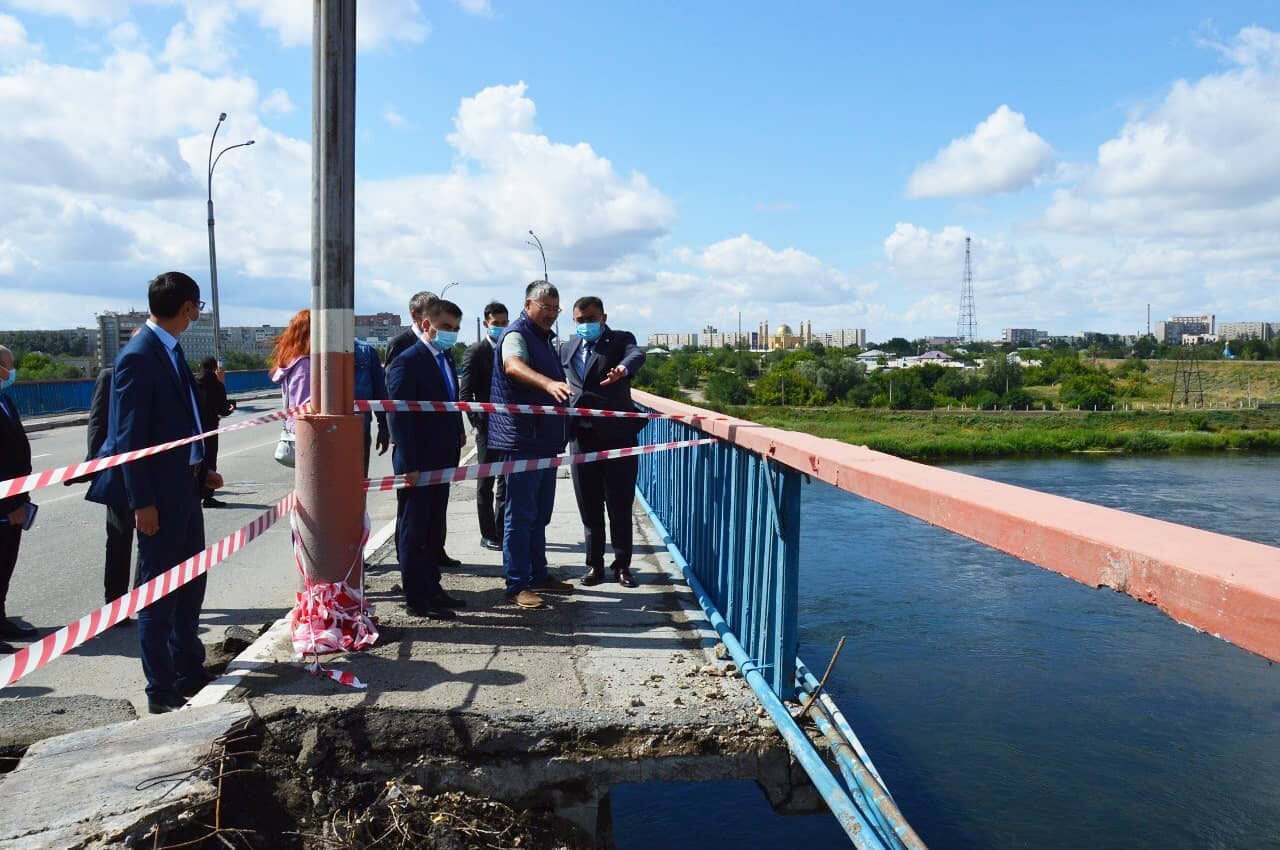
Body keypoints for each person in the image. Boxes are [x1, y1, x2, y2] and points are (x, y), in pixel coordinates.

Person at [86, 272, 223, 714]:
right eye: (198, 306)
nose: (198, 314)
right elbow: (130, 438)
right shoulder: (139, 357)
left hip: (185, 487)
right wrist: (141, 502)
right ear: (187, 307)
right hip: (158, 497)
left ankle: (188, 668)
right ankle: (159, 690)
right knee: (158, 592)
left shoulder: (170, 349)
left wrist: (201, 470)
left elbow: (183, 421)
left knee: (191, 582)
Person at [488, 281, 575, 609]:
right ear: (528, 304)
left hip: (544, 441)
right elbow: (513, 366)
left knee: (540, 514)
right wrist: (549, 383)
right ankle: (517, 583)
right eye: (546, 308)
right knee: (520, 515)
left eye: (556, 309)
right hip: (522, 440)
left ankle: (538, 574)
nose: (551, 315)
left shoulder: (543, 338)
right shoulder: (517, 335)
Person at [386, 300, 468, 619]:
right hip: (417, 461)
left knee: (434, 527)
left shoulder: (444, 357)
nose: (452, 334)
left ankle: (433, 588)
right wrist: (409, 464)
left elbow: (451, 401)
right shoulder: (408, 361)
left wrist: (457, 431)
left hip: (443, 455)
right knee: (414, 529)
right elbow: (399, 417)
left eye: (456, 329)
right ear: (426, 325)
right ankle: (417, 598)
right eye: (446, 327)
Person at [559, 297, 646, 587]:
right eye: (580, 320)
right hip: (581, 440)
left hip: (618, 439)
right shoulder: (567, 348)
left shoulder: (620, 340)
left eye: (591, 319)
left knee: (620, 506)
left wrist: (623, 369)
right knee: (590, 507)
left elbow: (636, 355)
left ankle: (622, 566)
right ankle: (594, 565)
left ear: (604, 317)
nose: (586, 325)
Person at [87, 358, 136, 622]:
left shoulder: (159, 373)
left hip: (154, 474)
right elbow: (97, 424)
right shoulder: (109, 376)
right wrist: (97, 467)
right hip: (118, 475)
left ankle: (146, 597)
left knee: (154, 541)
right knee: (119, 539)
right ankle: (115, 604)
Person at [460, 301, 509, 551]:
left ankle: (502, 530)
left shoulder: (512, 349)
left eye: (504, 323)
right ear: (486, 322)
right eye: (495, 323)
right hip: (488, 428)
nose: (500, 327)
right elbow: (465, 395)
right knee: (486, 482)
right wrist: (479, 424)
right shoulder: (477, 352)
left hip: (510, 427)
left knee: (506, 480)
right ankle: (487, 533)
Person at [0, 345, 38, 654]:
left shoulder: (5, 399)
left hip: (16, 496)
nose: (12, 373)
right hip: (3, 504)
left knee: (5, 563)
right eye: (9, 367)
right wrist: (9, 505)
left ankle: (1, 618)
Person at [195, 357, 236, 508]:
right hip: (210, 429)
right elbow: (223, 409)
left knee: (196, 461)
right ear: (214, 368)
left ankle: (195, 494)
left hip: (194, 429)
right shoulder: (216, 385)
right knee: (210, 461)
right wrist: (231, 407)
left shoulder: (193, 383)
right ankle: (208, 496)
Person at [270, 310, 312, 445]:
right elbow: (305, 405)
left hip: (295, 427)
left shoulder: (292, 361)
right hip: (308, 431)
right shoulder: (305, 365)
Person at [354, 339, 390, 477]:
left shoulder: (367, 352)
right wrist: (383, 427)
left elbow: (379, 393)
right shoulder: (366, 351)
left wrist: (384, 427)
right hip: (359, 429)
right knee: (357, 485)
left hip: (357, 432)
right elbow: (380, 392)